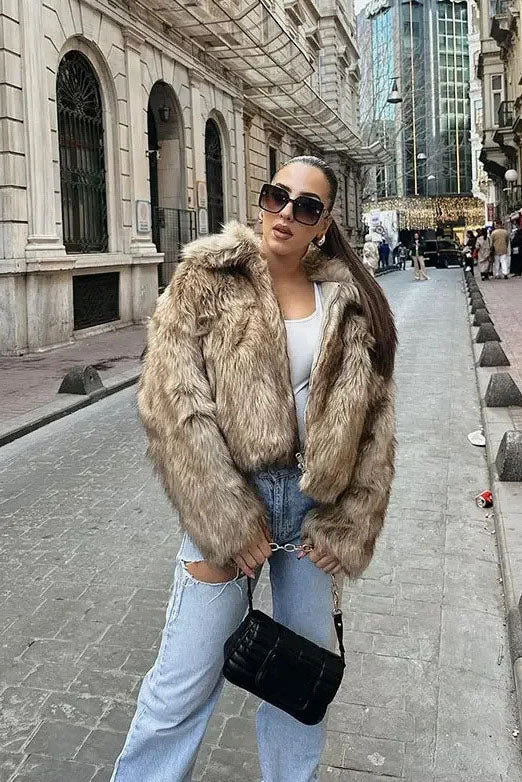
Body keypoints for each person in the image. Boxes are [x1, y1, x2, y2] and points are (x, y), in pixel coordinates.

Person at [110, 156, 397, 782]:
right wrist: (226, 519)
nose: (287, 213)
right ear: (262, 200)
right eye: (277, 196)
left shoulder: (348, 299)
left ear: (324, 224)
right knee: (181, 684)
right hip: (231, 503)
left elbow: (375, 424)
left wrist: (351, 524)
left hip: (315, 517)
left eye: (307, 206)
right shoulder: (208, 277)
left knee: (298, 689)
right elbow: (173, 403)